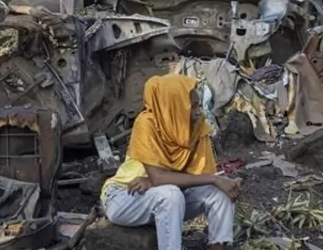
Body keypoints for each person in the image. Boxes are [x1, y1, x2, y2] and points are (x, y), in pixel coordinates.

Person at [101, 75, 239, 250]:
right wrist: (214, 179)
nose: (199, 112)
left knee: (220, 193)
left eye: (199, 105)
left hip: (169, 196)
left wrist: (219, 182)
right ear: (175, 104)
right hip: (124, 197)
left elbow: (197, 175)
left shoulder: (195, 126)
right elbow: (159, 178)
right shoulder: (147, 123)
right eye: (193, 106)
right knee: (170, 194)